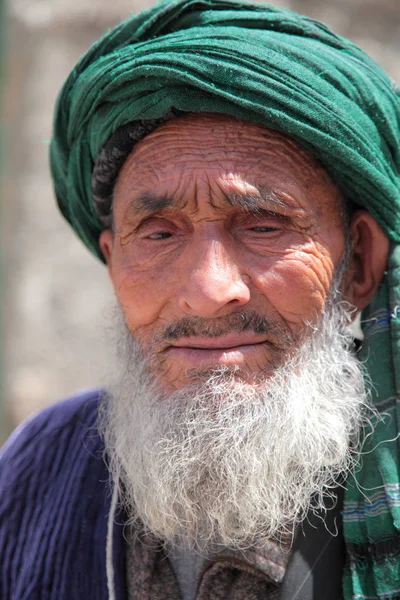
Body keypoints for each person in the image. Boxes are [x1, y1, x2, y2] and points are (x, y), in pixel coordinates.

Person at [1, 0, 400, 598]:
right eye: (159, 234)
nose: (209, 293)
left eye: (263, 226)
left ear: (359, 263)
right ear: (112, 262)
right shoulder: (41, 465)